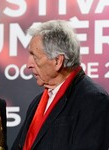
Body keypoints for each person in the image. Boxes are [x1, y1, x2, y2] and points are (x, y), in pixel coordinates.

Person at [12, 20, 109, 150]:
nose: (28, 64)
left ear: (58, 61)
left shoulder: (93, 100)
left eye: (35, 57)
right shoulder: (37, 103)